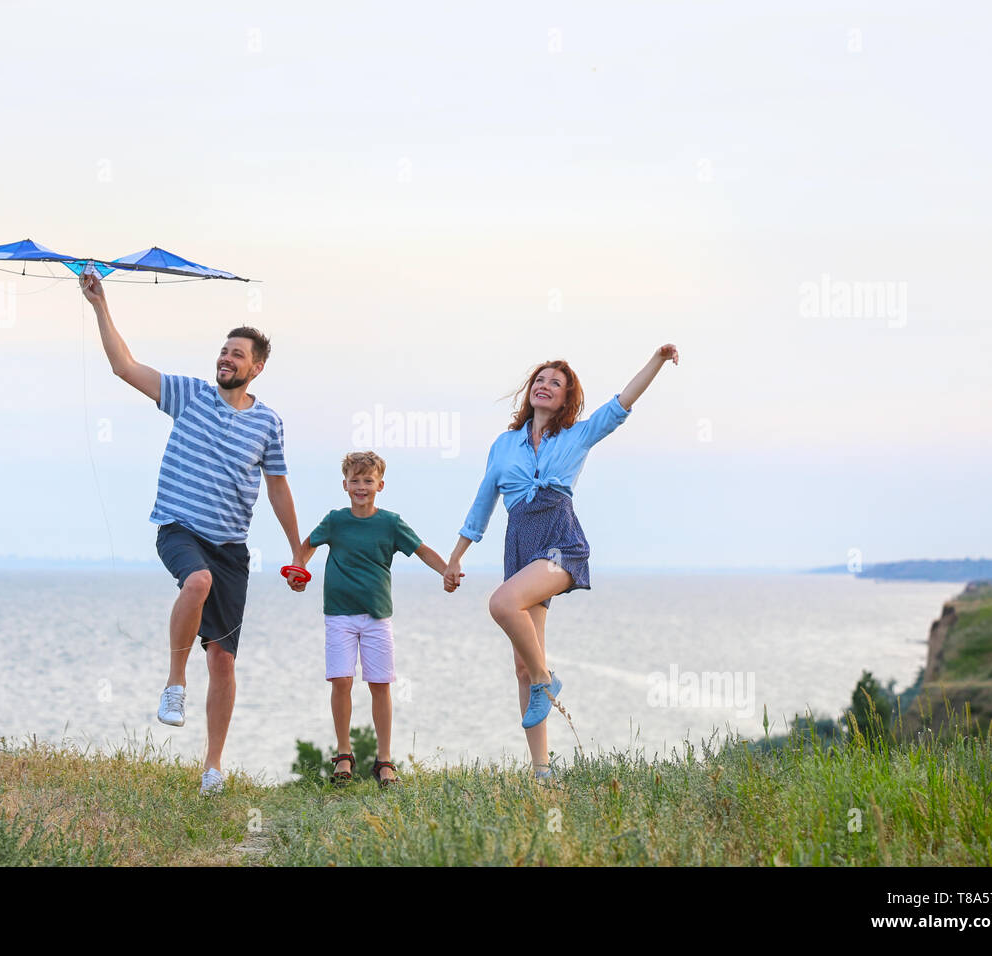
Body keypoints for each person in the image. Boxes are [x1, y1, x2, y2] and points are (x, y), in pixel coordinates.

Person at [80, 273, 306, 795]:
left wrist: (298, 548)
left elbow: (278, 490)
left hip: (232, 548)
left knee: (224, 660)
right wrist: (100, 306)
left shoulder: (268, 423)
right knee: (196, 582)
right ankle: (173, 684)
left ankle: (212, 768)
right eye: (224, 351)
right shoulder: (188, 394)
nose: (226, 359)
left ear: (257, 367)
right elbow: (124, 366)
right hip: (180, 529)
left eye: (237, 354)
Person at [444, 345, 679, 778]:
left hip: (559, 541)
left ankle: (545, 679)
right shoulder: (503, 445)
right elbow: (482, 505)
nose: (545, 385)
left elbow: (622, 404)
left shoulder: (578, 435)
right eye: (540, 379)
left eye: (556, 382)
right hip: (519, 541)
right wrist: (455, 558)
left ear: (567, 397)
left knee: (501, 604)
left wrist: (658, 361)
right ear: (529, 390)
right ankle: (542, 771)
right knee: (521, 663)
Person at [286, 451, 453, 786]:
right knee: (341, 681)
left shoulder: (390, 522)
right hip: (338, 615)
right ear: (345, 484)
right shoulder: (335, 520)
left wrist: (446, 570)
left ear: (380, 484)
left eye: (368, 480)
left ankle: (384, 760)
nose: (361, 486)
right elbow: (306, 546)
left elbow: (421, 549)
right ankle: (344, 755)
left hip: (377, 616)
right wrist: (297, 570)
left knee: (380, 685)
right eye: (355, 480)